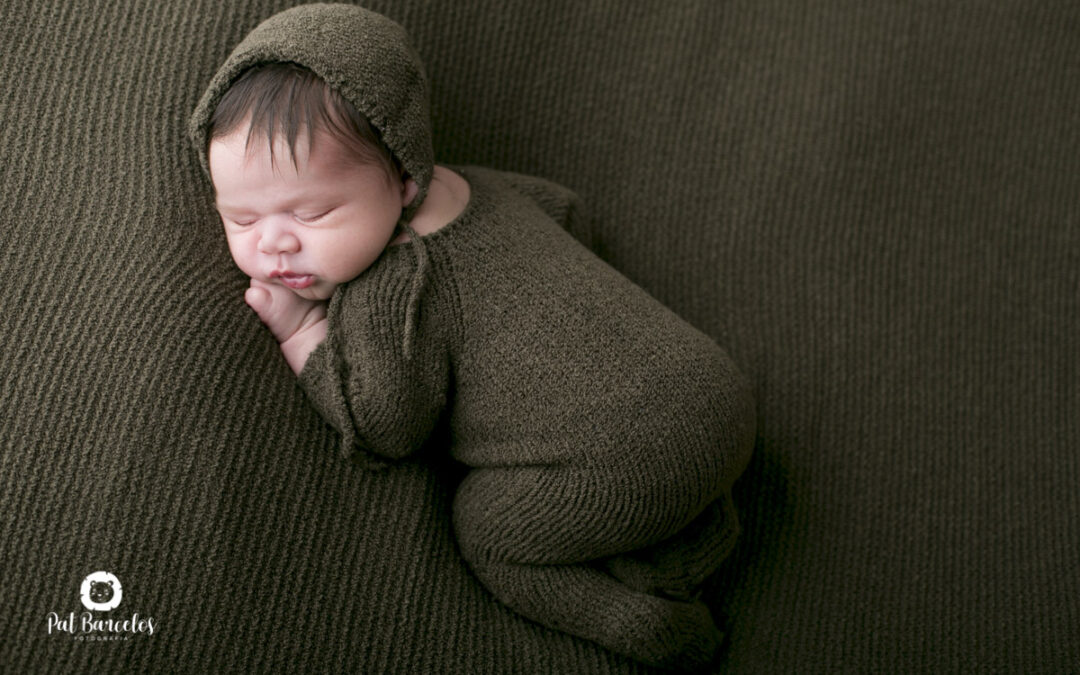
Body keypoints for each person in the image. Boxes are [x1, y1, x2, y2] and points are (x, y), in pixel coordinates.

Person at [188, 4, 755, 671]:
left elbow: (385, 427)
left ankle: (660, 629)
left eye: (314, 211)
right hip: (713, 390)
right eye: (242, 217)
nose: (276, 242)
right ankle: (696, 531)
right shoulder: (487, 186)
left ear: (403, 177)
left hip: (621, 462)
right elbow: (565, 208)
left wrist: (304, 331)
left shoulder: (395, 284)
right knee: (660, 471)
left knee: (488, 532)